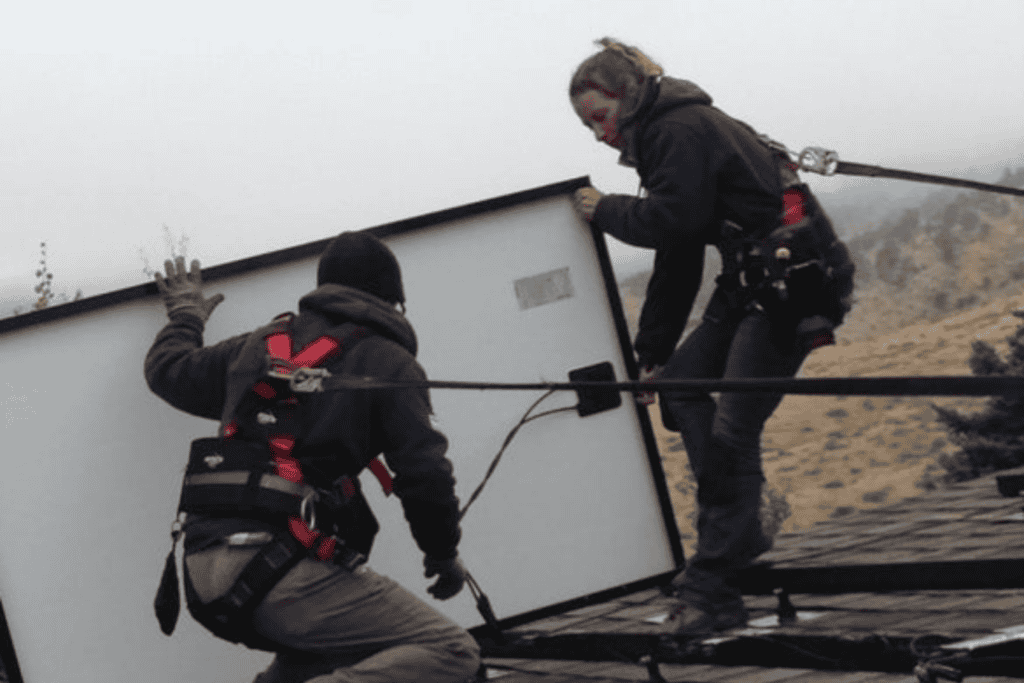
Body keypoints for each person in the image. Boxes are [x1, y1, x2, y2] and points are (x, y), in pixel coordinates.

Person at [568, 39, 855, 634]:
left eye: (600, 117)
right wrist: (653, 356)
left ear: (629, 96)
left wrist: (606, 209)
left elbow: (672, 223)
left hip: (790, 288)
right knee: (680, 388)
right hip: (757, 282)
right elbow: (680, 252)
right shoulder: (670, 133)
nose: (599, 135)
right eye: (587, 125)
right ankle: (738, 526)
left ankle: (713, 585)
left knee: (732, 432)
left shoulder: (678, 130)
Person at [145, 231, 481, 683]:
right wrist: (442, 554)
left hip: (205, 573)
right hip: (282, 574)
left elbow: (169, 371)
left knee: (323, 659)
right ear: (394, 299)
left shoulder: (256, 346)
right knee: (452, 652)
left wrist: (185, 316)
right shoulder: (390, 364)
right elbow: (425, 475)